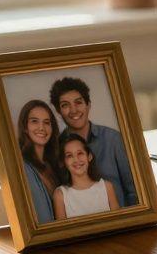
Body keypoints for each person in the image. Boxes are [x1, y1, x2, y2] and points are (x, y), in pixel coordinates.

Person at [50, 76, 138, 208]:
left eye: (78, 102)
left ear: (88, 105)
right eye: (65, 105)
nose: (73, 110)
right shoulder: (56, 148)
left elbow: (133, 191)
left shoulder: (113, 139)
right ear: (58, 111)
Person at [53, 133, 120, 220]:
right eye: (69, 156)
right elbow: (62, 233)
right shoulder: (60, 194)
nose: (76, 159)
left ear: (89, 156)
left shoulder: (107, 187)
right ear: (63, 162)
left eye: (80, 153)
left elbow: (119, 222)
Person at [16, 100, 61, 224]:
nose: (42, 128)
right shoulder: (21, 167)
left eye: (47, 122)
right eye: (34, 121)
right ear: (25, 127)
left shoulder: (55, 165)